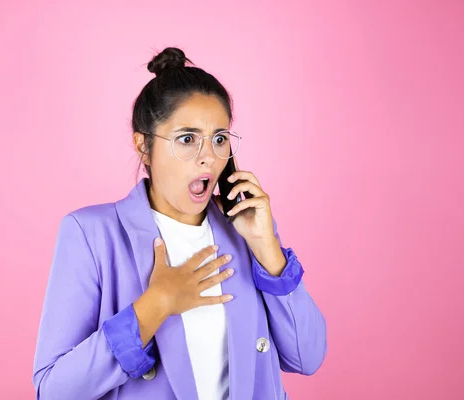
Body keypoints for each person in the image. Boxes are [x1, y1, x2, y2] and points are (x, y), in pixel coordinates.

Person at [32, 47, 327, 400]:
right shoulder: (92, 234)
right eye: (187, 139)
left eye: (219, 139)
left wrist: (268, 250)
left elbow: (307, 357)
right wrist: (156, 304)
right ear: (143, 146)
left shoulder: (247, 231)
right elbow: (54, 390)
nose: (208, 156)